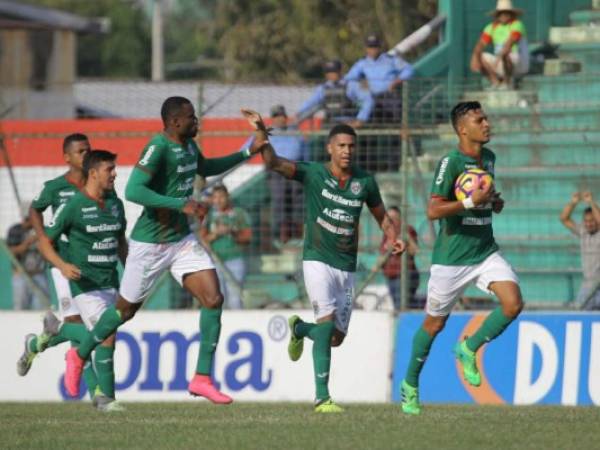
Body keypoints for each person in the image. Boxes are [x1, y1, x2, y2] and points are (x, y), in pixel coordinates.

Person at [62, 97, 267, 404]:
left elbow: (207, 167)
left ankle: (201, 378)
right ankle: (78, 355)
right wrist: (180, 203)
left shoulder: (188, 147)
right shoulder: (157, 146)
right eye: (190, 117)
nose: (196, 121)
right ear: (174, 122)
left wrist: (249, 150)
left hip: (181, 240)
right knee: (123, 312)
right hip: (151, 244)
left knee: (214, 298)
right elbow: (134, 190)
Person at [246, 112, 405, 412]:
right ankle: (322, 397)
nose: (347, 151)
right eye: (341, 145)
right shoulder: (314, 173)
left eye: (351, 146)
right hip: (317, 258)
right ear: (330, 148)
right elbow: (274, 163)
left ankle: (299, 330)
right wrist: (261, 135)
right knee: (327, 321)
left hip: (347, 266)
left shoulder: (365, 182)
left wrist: (392, 236)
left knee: (335, 338)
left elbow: (382, 216)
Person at [399, 101, 524, 415]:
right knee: (434, 323)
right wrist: (470, 202)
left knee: (513, 303)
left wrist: (492, 202)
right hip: (452, 259)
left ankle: (468, 347)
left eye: (486, 118)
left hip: (484, 251)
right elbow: (432, 210)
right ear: (462, 129)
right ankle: (410, 385)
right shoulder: (450, 162)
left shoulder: (489, 158)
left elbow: (483, 196)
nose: (487, 124)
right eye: (480, 120)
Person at [35, 150, 128, 411]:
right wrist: (62, 265)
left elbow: (120, 240)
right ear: (94, 173)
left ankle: (55, 331)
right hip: (85, 285)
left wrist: (130, 269)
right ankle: (106, 401)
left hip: (111, 280)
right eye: (110, 169)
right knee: (106, 337)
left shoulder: (115, 203)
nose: (115, 173)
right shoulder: (74, 205)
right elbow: (44, 241)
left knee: (105, 336)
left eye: (114, 168)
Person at [16, 134, 100, 398]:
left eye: (89, 150)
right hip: (63, 265)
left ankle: (36, 342)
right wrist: (42, 236)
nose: (86, 155)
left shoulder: (99, 184)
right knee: (78, 324)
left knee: (95, 327)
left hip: (93, 266)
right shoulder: (55, 187)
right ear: (67, 157)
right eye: (80, 151)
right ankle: (99, 394)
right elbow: (35, 210)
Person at [262, 105, 309, 244]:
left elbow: (305, 152)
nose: (280, 119)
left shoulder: (295, 131)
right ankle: (281, 232)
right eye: (277, 116)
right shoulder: (267, 133)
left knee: (297, 198)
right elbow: (249, 146)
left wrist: (306, 169)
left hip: (295, 167)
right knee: (279, 198)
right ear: (273, 119)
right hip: (275, 169)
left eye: (282, 115)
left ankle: (297, 230)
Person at [200, 184, 252, 310]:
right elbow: (202, 240)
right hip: (215, 261)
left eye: (221, 197)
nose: (218, 200)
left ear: (228, 197)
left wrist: (231, 231)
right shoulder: (208, 215)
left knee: (235, 297)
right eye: (215, 197)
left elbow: (247, 238)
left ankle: (237, 326)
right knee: (218, 297)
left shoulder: (239, 213)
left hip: (235, 259)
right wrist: (216, 233)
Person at [343, 33, 414, 123]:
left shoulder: (391, 60)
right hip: (374, 98)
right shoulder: (362, 63)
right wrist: (361, 85)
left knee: (396, 122)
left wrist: (397, 81)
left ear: (380, 47)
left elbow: (408, 69)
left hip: (390, 97)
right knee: (375, 122)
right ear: (366, 48)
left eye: (375, 47)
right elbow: (350, 77)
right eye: (370, 47)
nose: (373, 50)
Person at [295, 60, 374, 128]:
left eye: (334, 71)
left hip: (348, 122)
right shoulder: (323, 88)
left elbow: (368, 100)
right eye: (328, 72)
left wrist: (360, 119)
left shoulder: (352, 85)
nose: (331, 74)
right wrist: (298, 113)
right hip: (330, 123)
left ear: (340, 71)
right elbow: (311, 102)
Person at [470, 0, 529, 88]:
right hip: (499, 64)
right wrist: (475, 57)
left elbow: (509, 44)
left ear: (512, 14)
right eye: (501, 13)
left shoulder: (517, 25)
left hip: (518, 63)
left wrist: (498, 59)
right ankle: (495, 82)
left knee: (506, 55)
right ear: (497, 15)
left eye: (507, 13)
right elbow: (480, 44)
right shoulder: (491, 27)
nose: (504, 15)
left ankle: (507, 82)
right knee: (480, 56)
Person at [559, 191, 600, 310]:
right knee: (581, 315)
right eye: (586, 221)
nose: (589, 224)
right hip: (588, 285)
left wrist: (591, 202)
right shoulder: (583, 232)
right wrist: (573, 203)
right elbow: (564, 218)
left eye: (592, 221)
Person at [6, 210, 48, 310]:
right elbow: (11, 252)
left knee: (42, 308)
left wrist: (40, 243)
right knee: (20, 307)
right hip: (20, 274)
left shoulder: (42, 230)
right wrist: (27, 242)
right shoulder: (15, 230)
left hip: (39, 274)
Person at [380, 206, 420, 310]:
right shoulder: (387, 233)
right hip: (390, 275)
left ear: (400, 218)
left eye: (394, 218)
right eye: (389, 218)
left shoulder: (407, 230)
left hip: (403, 275)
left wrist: (406, 237)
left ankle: (422, 306)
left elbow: (414, 250)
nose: (391, 221)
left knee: (402, 305)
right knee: (398, 305)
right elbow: (382, 253)